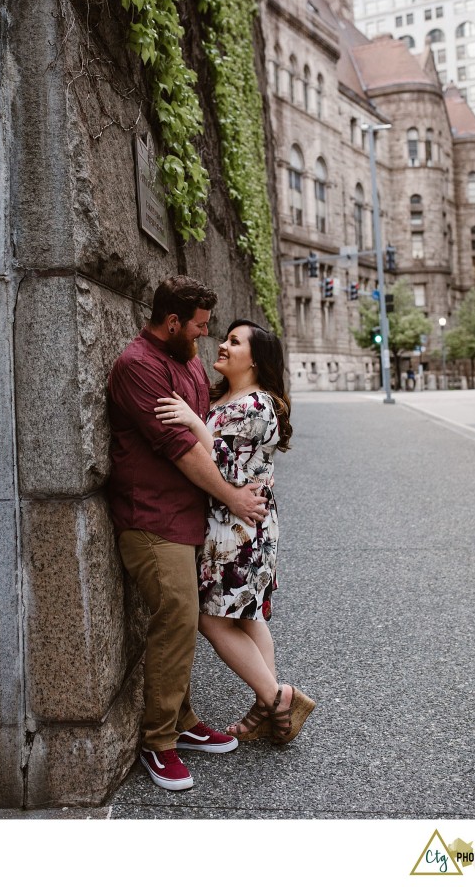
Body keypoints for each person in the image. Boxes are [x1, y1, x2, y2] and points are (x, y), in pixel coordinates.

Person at [107, 277, 268, 792]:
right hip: (152, 520)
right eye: (198, 326)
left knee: (191, 620)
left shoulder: (189, 361)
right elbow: (183, 448)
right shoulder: (138, 366)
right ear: (172, 322)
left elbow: (212, 431)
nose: (205, 337)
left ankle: (182, 718)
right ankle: (159, 743)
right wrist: (233, 496)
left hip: (192, 516)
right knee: (176, 615)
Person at [155, 319, 316, 745]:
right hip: (233, 524)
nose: (222, 346)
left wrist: (193, 422)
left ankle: (277, 695)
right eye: (225, 338)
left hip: (238, 528)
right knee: (246, 613)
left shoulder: (257, 404)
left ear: (255, 359)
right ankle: (268, 706)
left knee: (212, 619)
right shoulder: (225, 398)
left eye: (233, 342)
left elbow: (232, 470)